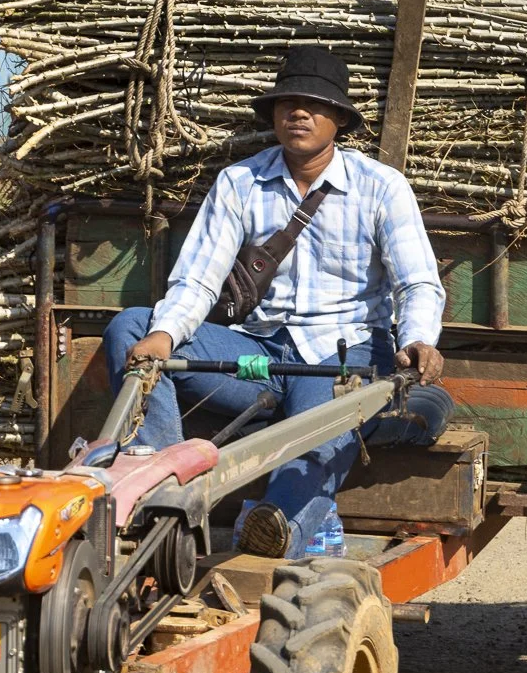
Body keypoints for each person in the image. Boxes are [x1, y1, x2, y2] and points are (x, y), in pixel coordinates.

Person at [104, 43, 451, 559]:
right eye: (287, 103)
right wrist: (164, 334)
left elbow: (417, 282)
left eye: (315, 105)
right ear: (273, 115)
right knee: (131, 327)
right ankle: (159, 482)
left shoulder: (382, 187)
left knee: (320, 435)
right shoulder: (240, 182)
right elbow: (199, 279)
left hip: (343, 356)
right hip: (257, 356)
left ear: (339, 120)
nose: (299, 113)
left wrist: (419, 339)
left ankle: (277, 525)